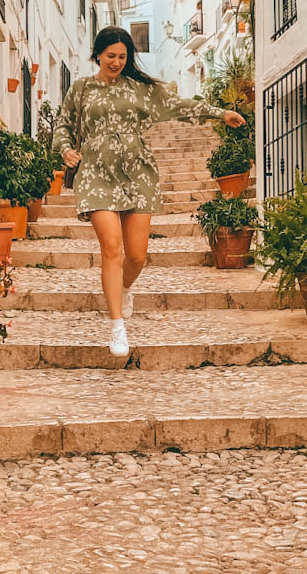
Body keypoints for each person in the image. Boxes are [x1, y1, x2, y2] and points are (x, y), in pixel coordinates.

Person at [52, 27, 246, 356]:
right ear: (98, 54)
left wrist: (219, 113)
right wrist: (65, 149)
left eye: (122, 57)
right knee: (111, 249)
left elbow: (178, 105)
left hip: (138, 174)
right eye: (110, 55)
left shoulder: (141, 89)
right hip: (97, 175)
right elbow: (63, 124)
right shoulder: (81, 89)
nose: (116, 62)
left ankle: (125, 287)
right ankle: (117, 328)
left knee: (137, 255)